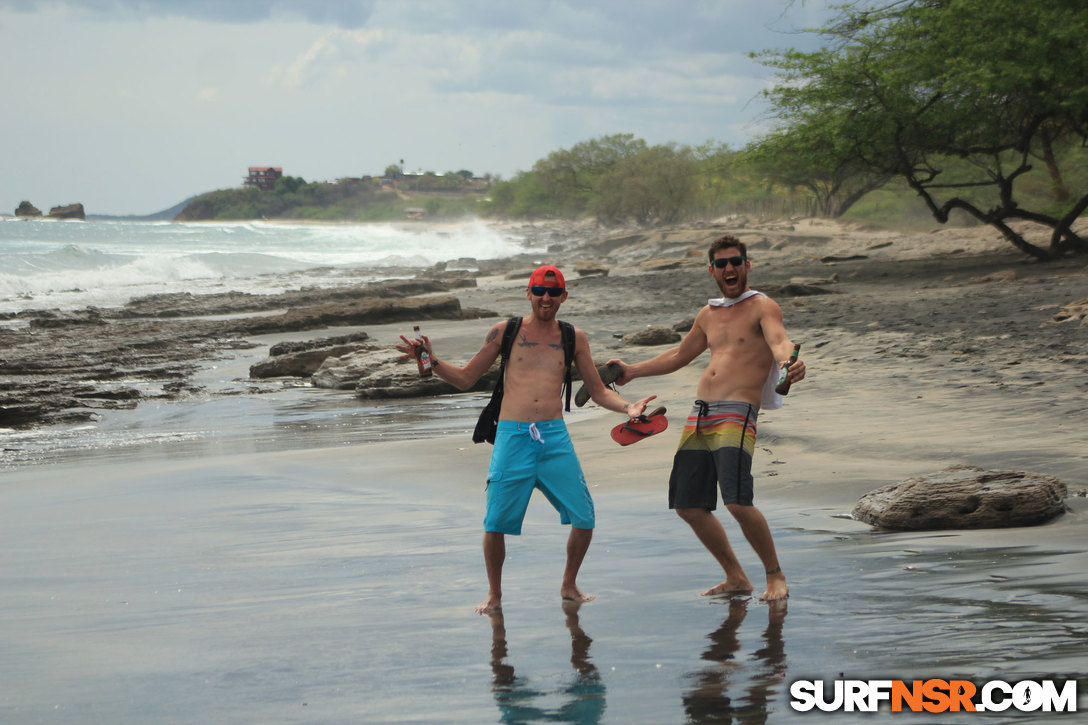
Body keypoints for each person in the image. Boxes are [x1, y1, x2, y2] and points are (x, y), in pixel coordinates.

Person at [398, 265, 656, 614]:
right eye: (539, 291)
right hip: (513, 437)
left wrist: (628, 408)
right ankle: (494, 595)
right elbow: (465, 378)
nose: (546, 298)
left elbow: (597, 391)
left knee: (584, 516)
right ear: (528, 293)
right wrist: (429, 358)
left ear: (564, 296)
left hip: (554, 438)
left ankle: (569, 585)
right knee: (495, 523)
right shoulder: (505, 331)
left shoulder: (574, 337)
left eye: (553, 292)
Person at [607, 235, 805, 601]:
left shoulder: (762, 306)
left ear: (747, 265)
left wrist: (788, 362)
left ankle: (775, 576)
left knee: (737, 501)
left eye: (735, 262)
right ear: (711, 270)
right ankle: (736, 577)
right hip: (700, 414)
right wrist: (632, 371)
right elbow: (679, 355)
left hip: (736, 413)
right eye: (721, 263)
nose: (729, 268)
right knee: (688, 505)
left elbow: (780, 342)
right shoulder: (708, 314)